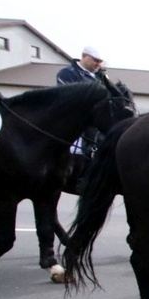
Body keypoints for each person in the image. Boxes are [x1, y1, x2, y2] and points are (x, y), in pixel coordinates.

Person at [56, 46, 107, 192]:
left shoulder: (99, 76)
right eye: (95, 61)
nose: (98, 65)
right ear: (84, 56)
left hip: (95, 119)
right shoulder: (67, 73)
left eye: (100, 62)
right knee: (76, 147)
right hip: (75, 119)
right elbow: (69, 97)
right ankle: (74, 178)